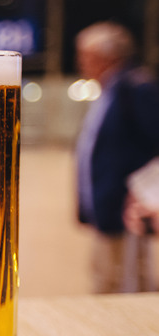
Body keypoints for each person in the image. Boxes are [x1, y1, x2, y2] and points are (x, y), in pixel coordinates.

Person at [74, 21, 159, 293]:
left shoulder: (135, 87)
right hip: (107, 207)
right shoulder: (110, 90)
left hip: (126, 207)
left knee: (127, 283)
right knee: (107, 278)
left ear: (106, 57)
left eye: (86, 55)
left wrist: (145, 197)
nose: (81, 62)